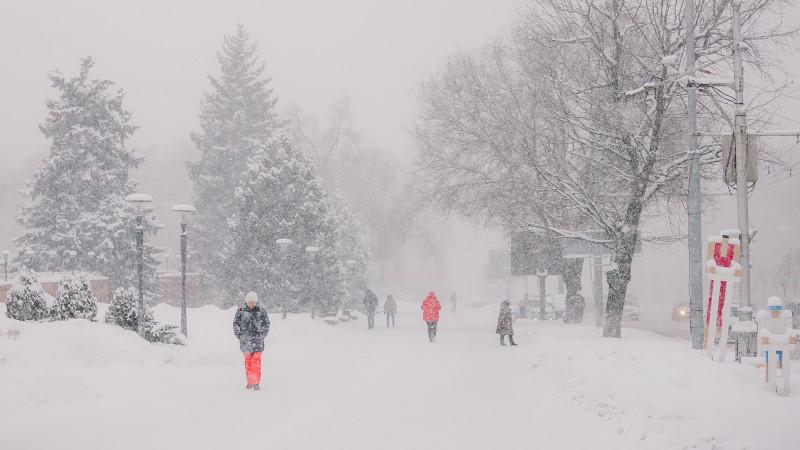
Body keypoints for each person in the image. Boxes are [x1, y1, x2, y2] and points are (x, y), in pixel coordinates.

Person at [232, 292, 271, 391]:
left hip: (258, 342)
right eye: (249, 302)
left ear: (256, 301)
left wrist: (262, 335)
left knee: (256, 363)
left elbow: (266, 324)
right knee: (248, 363)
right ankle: (250, 382)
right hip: (245, 342)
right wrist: (239, 335)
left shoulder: (261, 311)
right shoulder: (241, 311)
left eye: (253, 302)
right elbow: (235, 324)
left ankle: (256, 382)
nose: (251, 304)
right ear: (246, 302)